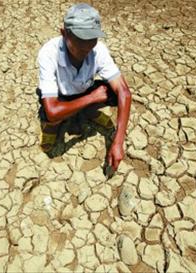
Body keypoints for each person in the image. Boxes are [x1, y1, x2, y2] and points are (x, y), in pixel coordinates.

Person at [36, 3, 131, 171]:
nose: (87, 49)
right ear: (64, 33)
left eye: (91, 41)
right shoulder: (48, 53)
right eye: (80, 43)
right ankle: (53, 127)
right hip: (60, 97)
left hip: (83, 88)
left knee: (116, 94)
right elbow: (52, 110)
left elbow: (124, 92)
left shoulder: (98, 50)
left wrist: (118, 141)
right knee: (51, 116)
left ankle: (87, 112)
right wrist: (92, 98)